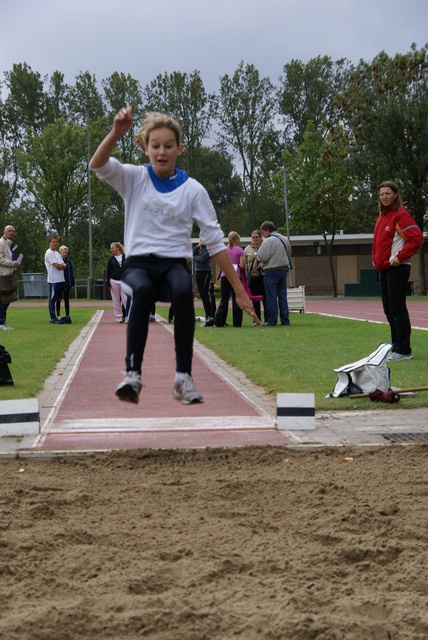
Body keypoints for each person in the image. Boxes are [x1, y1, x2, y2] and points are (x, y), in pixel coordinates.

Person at [90, 107, 258, 405]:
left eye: (169, 146)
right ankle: (133, 375)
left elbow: (215, 243)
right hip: (138, 264)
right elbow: (97, 164)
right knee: (141, 290)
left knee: (184, 291)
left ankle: (183, 378)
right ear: (145, 147)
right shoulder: (133, 178)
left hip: (173, 265)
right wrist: (117, 131)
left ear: (179, 149)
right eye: (155, 146)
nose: (162, 152)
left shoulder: (193, 190)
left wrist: (240, 290)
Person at [372, 181, 423, 361]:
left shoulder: (400, 215)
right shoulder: (382, 216)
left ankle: (404, 349)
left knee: (397, 308)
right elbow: (379, 242)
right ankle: (395, 346)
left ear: (395, 195)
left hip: (397, 268)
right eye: (381, 194)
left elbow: (416, 239)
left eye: (388, 193)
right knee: (388, 309)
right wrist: (375, 259)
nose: (384, 197)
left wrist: (400, 257)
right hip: (384, 268)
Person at [206, 231, 246, 328]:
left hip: (225, 276)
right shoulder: (240, 250)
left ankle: (218, 322)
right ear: (236, 239)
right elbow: (241, 265)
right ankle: (237, 323)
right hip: (235, 277)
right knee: (237, 299)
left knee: (224, 300)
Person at [257, 221, 291, 326]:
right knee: (282, 295)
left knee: (271, 296)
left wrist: (257, 256)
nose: (262, 235)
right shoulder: (284, 239)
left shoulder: (268, 241)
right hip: (283, 270)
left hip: (271, 270)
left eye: (263, 233)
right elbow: (289, 253)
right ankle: (285, 320)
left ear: (268, 231)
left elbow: (262, 256)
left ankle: (272, 320)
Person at [0, 225, 21, 331]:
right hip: (2, 275)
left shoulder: (9, 244)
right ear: (4, 231)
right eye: (9, 231)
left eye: (13, 231)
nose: (11, 233)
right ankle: (1, 321)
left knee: (8, 299)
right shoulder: (1, 243)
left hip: (10, 275)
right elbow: (1, 259)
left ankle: (2, 321)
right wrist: (13, 263)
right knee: (3, 299)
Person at [44, 234, 66, 324]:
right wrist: (61, 266)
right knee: (53, 298)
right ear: (50, 242)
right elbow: (57, 266)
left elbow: (63, 265)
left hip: (60, 279)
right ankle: (52, 317)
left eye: (56, 242)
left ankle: (57, 315)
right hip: (53, 279)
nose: (55, 244)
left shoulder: (57, 253)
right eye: (53, 242)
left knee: (58, 298)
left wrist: (62, 266)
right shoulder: (49, 253)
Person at [244, 229, 265, 322]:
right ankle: (256, 320)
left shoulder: (264, 247)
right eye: (253, 237)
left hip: (263, 277)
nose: (255, 239)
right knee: (254, 300)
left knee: (265, 298)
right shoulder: (247, 249)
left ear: (261, 238)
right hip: (252, 277)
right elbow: (244, 264)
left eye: (257, 237)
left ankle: (268, 319)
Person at [193, 239, 215, 325]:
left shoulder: (208, 249)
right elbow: (191, 253)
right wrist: (197, 246)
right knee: (201, 294)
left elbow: (202, 259)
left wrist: (195, 257)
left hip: (205, 272)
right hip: (198, 272)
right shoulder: (198, 249)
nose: (201, 241)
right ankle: (208, 315)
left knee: (204, 293)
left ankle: (209, 315)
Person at [107, 242, 128, 323]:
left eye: (113, 248)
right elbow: (108, 272)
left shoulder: (125, 257)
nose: (111, 249)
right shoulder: (111, 259)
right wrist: (108, 283)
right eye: (111, 248)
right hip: (114, 281)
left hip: (124, 281)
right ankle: (119, 316)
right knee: (116, 300)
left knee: (125, 299)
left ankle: (127, 315)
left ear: (118, 248)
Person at [56, 245, 75, 322]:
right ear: (60, 253)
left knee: (66, 300)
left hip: (67, 283)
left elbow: (71, 273)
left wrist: (72, 283)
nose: (65, 254)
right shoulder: (57, 262)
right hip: (60, 283)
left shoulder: (68, 263)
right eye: (64, 252)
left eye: (66, 252)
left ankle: (67, 315)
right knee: (59, 299)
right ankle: (58, 315)